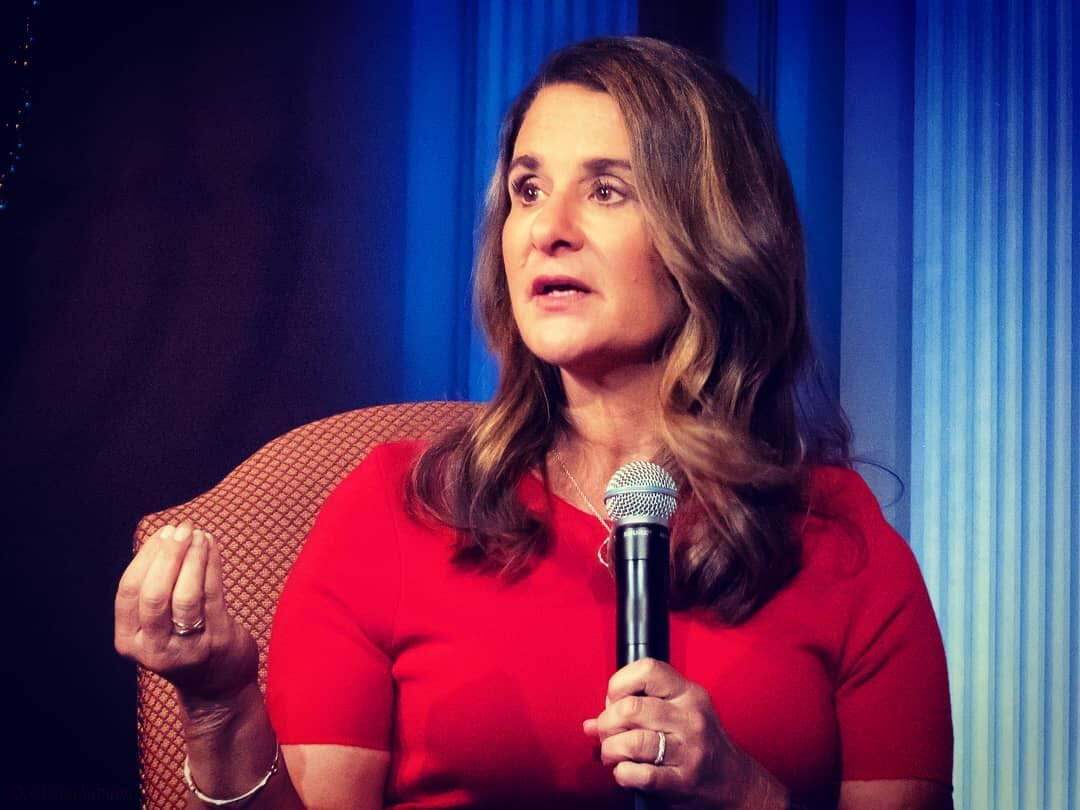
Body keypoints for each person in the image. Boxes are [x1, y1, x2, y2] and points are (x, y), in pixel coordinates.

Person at [114, 36, 952, 809]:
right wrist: (221, 706)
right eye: (528, 190)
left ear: (714, 233)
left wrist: (743, 794)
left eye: (607, 190)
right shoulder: (394, 509)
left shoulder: (841, 543)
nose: (548, 231)